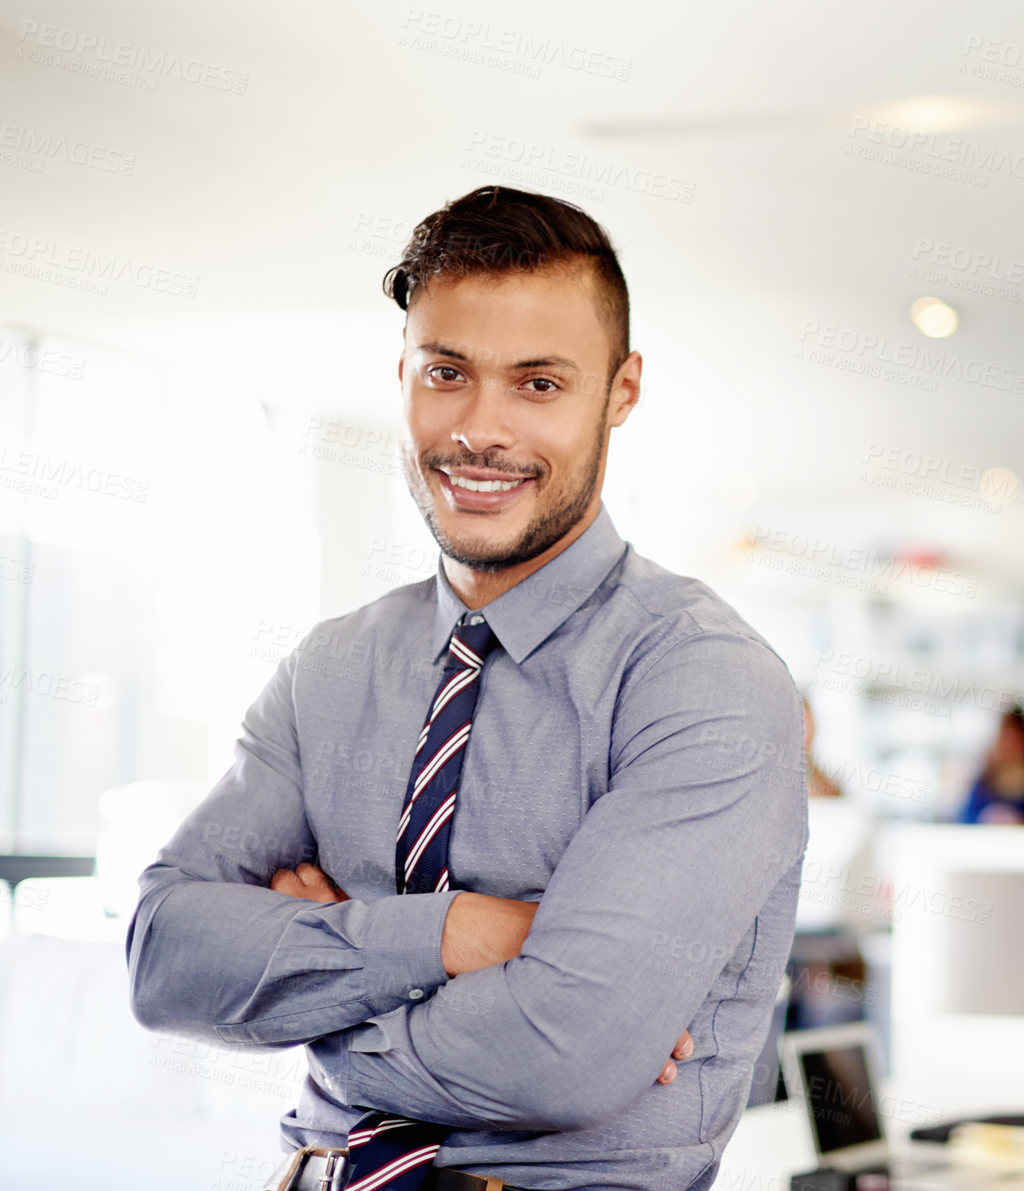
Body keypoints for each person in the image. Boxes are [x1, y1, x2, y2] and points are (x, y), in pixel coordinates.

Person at [124, 186, 808, 1191]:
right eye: (447, 373)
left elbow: (562, 1054)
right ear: (402, 374)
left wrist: (309, 1001)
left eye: (539, 383)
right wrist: (448, 934)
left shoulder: (703, 678)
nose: (481, 431)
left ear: (620, 392)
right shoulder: (330, 667)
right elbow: (162, 962)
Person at [958, 704, 1024, 825]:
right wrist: (987, 817)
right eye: (1007, 740)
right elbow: (965, 819)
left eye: (1016, 740)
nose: (1011, 747)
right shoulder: (984, 783)